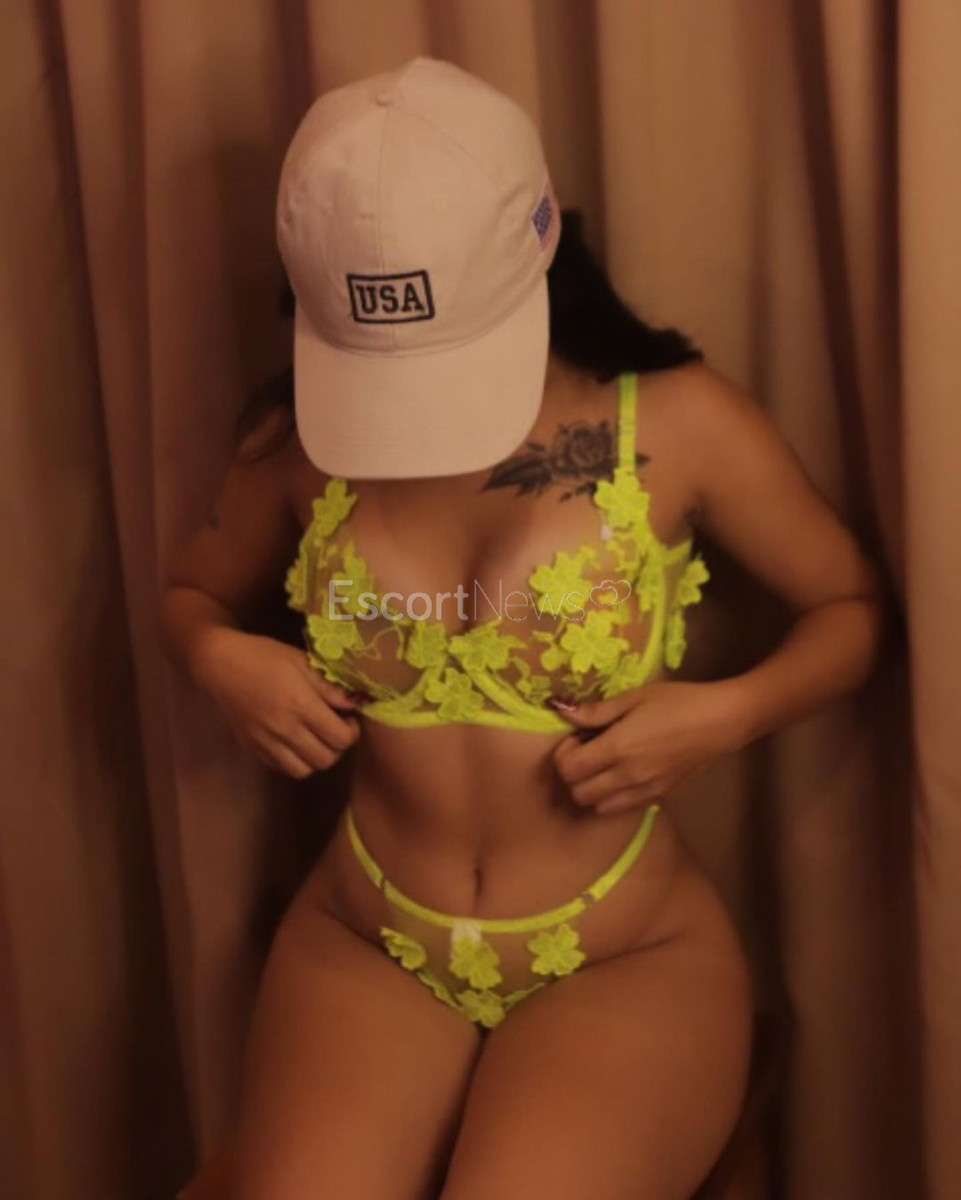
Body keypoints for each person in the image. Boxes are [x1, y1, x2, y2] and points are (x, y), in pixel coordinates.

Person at [162, 57, 884, 1200]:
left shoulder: (676, 423)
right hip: (367, 939)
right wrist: (218, 656)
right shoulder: (296, 443)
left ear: (540, 245)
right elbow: (190, 595)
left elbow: (851, 608)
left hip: (622, 954)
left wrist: (725, 716)